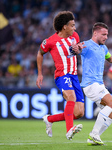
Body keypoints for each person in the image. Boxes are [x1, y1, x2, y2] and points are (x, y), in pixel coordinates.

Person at [36, 11, 85, 140]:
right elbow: (40, 53)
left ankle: (49, 119)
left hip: (74, 76)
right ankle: (69, 130)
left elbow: (78, 50)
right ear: (65, 26)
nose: (74, 28)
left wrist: (79, 49)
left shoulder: (75, 36)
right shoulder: (50, 41)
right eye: (72, 25)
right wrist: (40, 73)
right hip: (62, 75)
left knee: (79, 112)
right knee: (71, 97)